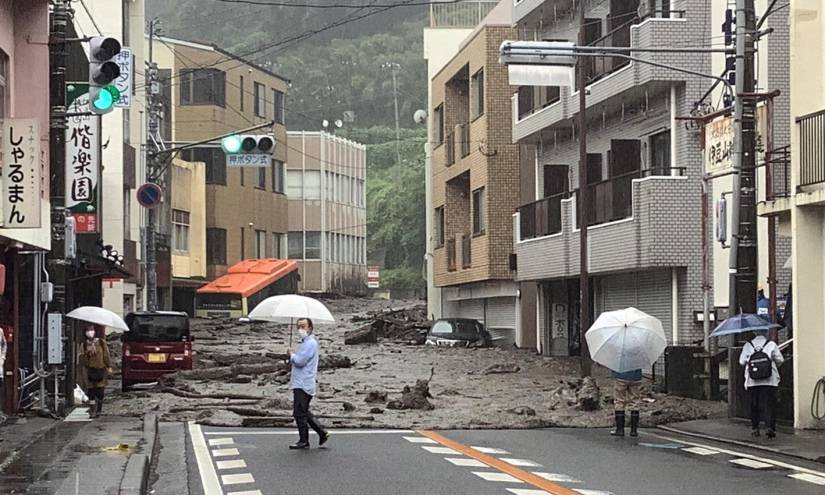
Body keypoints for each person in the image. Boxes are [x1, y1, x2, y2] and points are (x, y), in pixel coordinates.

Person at [287, 318, 329, 450]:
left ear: (310, 328)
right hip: (301, 381)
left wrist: (292, 355)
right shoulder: (304, 343)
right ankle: (321, 432)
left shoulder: (310, 343)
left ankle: (304, 440)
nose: (301, 330)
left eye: (303, 326)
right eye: (299, 326)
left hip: (303, 383)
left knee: (299, 412)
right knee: (303, 410)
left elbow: (300, 361)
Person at [738, 329, 784, 438]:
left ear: (754, 332)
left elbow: (741, 362)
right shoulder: (771, 344)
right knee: (769, 404)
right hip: (769, 380)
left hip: (752, 381)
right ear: (766, 332)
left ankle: (755, 428)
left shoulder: (748, 346)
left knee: (754, 405)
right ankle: (770, 427)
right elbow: (780, 360)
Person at [78, 325, 111, 418]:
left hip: (101, 369)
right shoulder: (84, 345)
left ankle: (99, 410)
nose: (90, 332)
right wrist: (87, 354)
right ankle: (92, 410)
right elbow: (81, 360)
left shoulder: (101, 342)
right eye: (88, 330)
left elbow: (106, 355)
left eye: (91, 330)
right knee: (91, 392)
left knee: (100, 391)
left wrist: (109, 366)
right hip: (89, 371)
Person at [611, 368, 642, 437]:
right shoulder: (637, 356)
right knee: (635, 402)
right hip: (636, 377)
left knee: (619, 401)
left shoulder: (620, 356)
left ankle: (620, 429)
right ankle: (634, 431)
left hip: (621, 376)